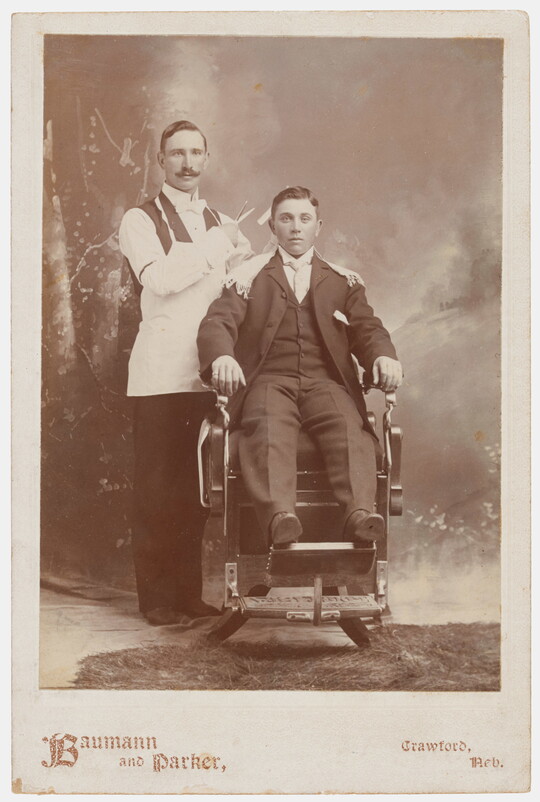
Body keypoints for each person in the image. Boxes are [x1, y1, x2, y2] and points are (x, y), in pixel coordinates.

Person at [197, 186, 402, 547]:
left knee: (348, 426)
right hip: (268, 381)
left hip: (326, 383)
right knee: (269, 426)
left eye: (304, 219)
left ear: (317, 226)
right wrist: (222, 356)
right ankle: (281, 518)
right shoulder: (247, 277)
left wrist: (383, 356)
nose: (295, 227)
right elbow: (218, 323)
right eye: (286, 219)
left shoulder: (342, 281)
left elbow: (368, 329)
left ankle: (359, 515)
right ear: (273, 227)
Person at [119, 120, 252, 625]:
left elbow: (239, 286)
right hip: (158, 376)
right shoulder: (140, 219)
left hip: (207, 375)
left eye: (197, 152)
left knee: (196, 491)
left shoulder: (217, 218)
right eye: (177, 153)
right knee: (157, 488)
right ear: (160, 160)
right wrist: (221, 244)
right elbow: (162, 278)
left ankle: (187, 596)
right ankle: (156, 600)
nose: (188, 163)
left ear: (207, 158)